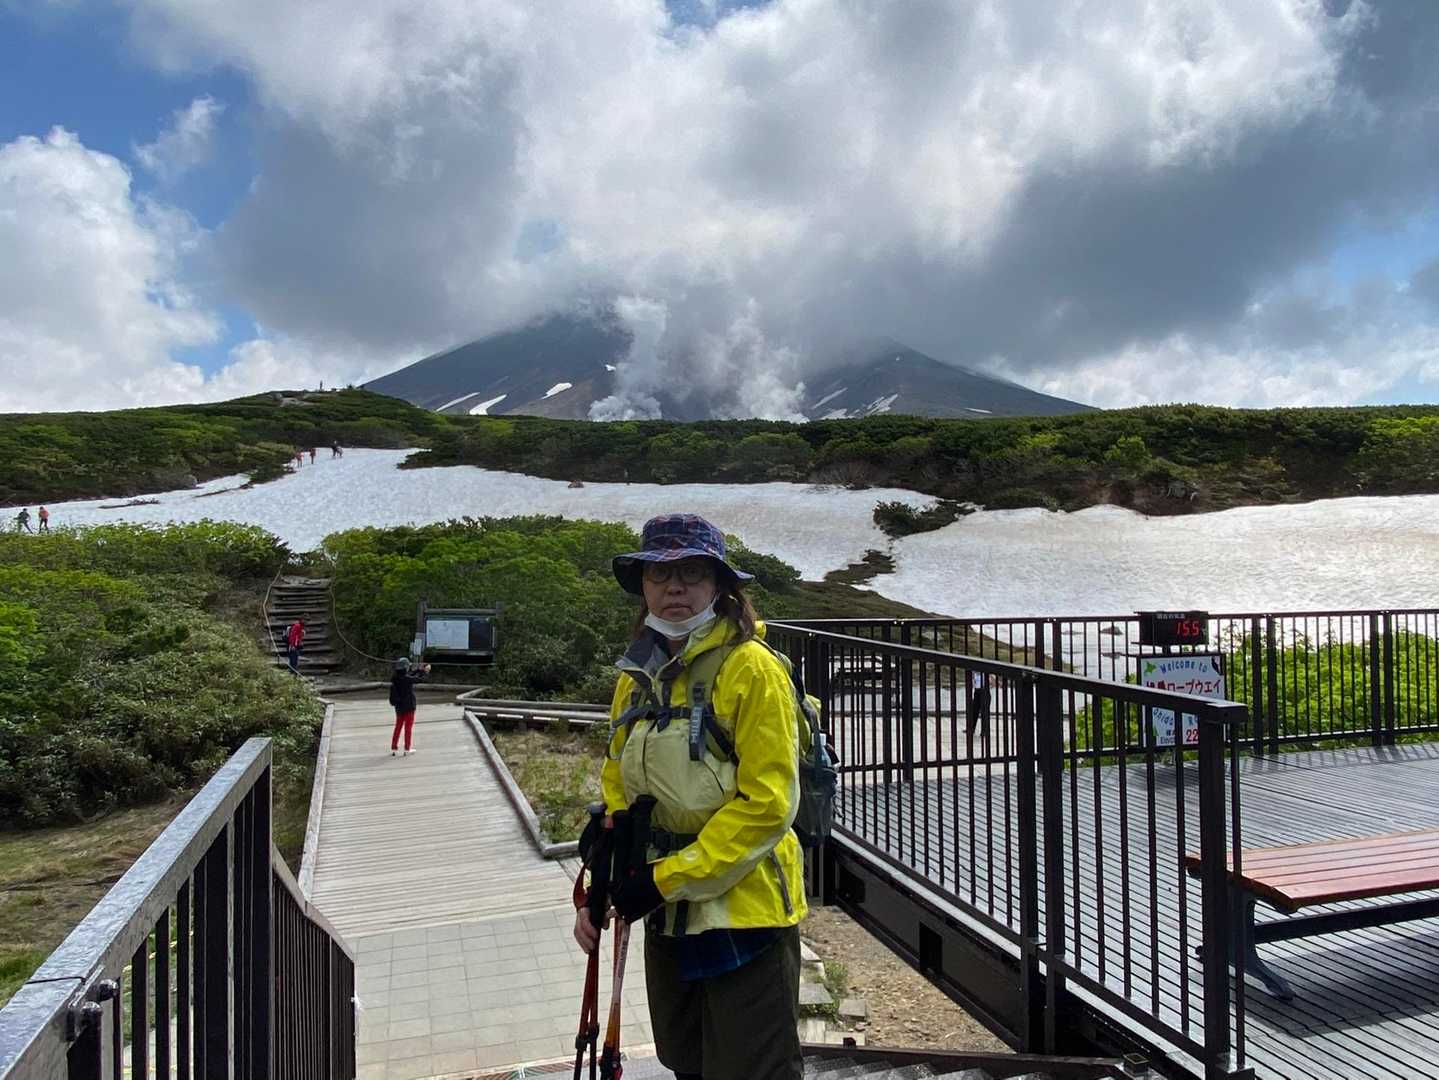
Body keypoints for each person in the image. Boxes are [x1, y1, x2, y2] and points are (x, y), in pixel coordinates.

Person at [573, 513, 805, 1080]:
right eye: (660, 573)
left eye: (692, 572)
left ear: (720, 585)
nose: (674, 587)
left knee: (751, 1069)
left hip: (745, 914)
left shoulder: (751, 669)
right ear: (644, 585)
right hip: (667, 913)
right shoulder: (637, 673)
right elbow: (617, 775)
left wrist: (662, 880)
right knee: (684, 1060)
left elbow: (768, 804)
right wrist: (602, 873)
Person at [389, 657, 431, 755]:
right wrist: (426, 671)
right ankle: (407, 749)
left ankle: (394, 748)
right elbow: (421, 679)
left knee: (398, 727)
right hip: (409, 707)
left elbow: (411, 674)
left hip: (399, 707)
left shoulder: (394, 678)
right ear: (406, 668)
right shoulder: (407, 679)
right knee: (408, 728)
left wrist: (419, 670)